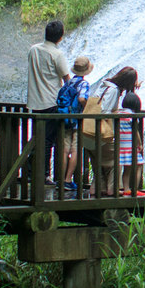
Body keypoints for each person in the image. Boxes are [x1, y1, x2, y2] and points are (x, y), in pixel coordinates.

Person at [25, 20, 70, 185]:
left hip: (35, 101)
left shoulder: (33, 50)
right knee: (47, 141)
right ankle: (42, 176)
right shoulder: (57, 54)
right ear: (60, 38)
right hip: (52, 101)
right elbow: (67, 79)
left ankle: (32, 172)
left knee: (38, 138)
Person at [84, 66, 141, 196]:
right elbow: (104, 110)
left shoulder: (105, 85)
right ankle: (113, 190)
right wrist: (115, 115)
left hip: (87, 131)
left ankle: (97, 188)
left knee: (99, 163)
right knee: (116, 159)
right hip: (99, 132)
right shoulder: (113, 90)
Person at [57, 56, 93, 191]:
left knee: (65, 150)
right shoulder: (84, 84)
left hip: (65, 120)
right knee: (76, 149)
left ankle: (60, 180)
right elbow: (82, 98)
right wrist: (87, 107)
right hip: (77, 121)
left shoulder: (68, 82)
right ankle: (68, 180)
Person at [118, 91, 145, 197]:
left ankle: (126, 189)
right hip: (130, 146)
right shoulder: (131, 116)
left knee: (127, 168)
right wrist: (139, 143)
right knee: (139, 165)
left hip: (120, 146)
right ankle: (134, 189)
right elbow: (135, 131)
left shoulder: (119, 113)